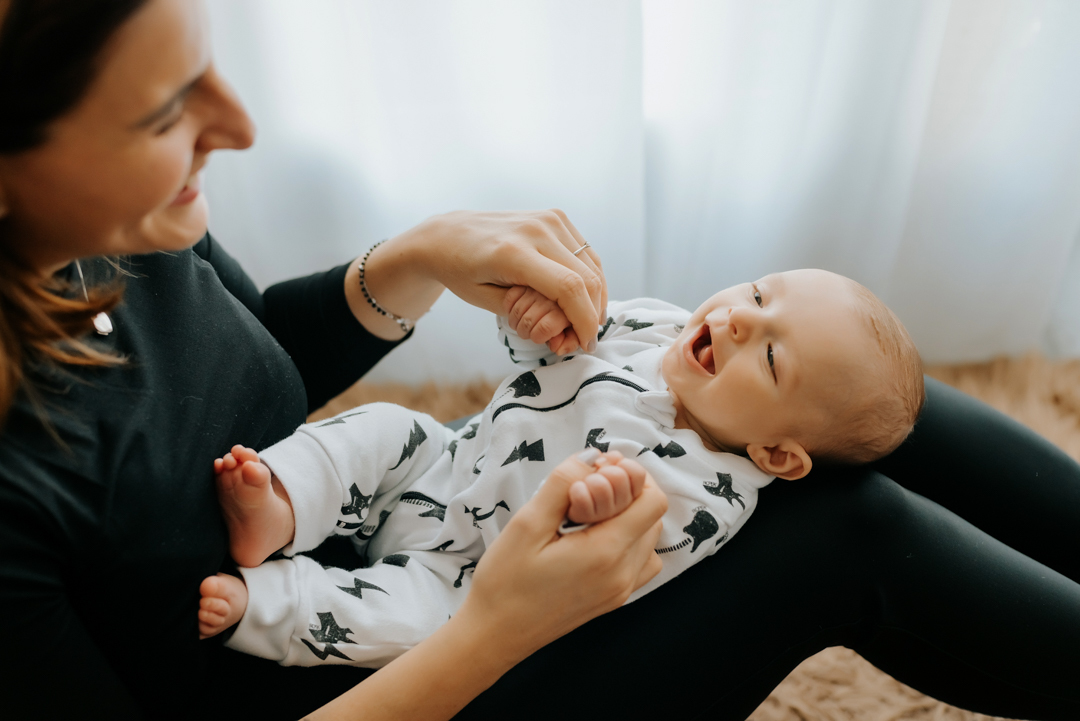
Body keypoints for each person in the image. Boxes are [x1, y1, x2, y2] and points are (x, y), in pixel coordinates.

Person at [1, 2, 1078, 720]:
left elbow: (229, 375)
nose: (235, 128)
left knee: (847, 376)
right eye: (162, 112)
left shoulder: (116, 226)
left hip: (379, 522)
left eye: (207, 69)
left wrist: (422, 255)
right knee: (844, 531)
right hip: (361, 666)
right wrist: (494, 629)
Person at [195, 269, 924, 671]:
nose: (738, 320)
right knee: (384, 426)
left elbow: (615, 560)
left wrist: (598, 508)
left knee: (405, 623)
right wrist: (535, 328)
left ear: (775, 454)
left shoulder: (708, 489)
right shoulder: (660, 325)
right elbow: (549, 357)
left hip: (474, 575)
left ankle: (272, 604)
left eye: (769, 356)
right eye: (760, 295)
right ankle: (282, 505)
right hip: (448, 460)